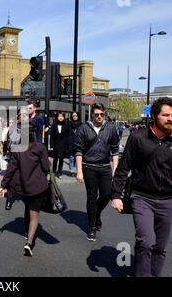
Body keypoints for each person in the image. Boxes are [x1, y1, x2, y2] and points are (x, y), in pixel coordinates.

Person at [111, 97, 172, 277]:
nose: (170, 119)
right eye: (165, 115)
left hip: (169, 201)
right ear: (153, 116)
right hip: (142, 197)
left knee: (159, 246)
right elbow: (124, 167)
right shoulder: (138, 138)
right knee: (145, 241)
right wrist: (115, 195)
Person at [0, 123, 51, 257]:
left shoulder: (17, 149)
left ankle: (27, 232)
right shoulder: (40, 148)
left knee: (27, 209)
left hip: (23, 186)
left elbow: (11, 169)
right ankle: (29, 242)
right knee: (34, 215)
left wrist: (3, 185)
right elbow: (46, 167)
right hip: (37, 186)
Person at [75, 103, 120, 242]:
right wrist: (79, 171)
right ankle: (92, 227)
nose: (99, 117)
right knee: (91, 197)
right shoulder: (83, 128)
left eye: (102, 114)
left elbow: (115, 151)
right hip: (89, 167)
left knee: (107, 195)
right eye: (97, 114)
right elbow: (78, 151)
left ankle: (97, 213)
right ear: (92, 115)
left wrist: (115, 170)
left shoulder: (111, 128)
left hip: (105, 167)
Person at [49, 112, 70, 178]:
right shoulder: (54, 125)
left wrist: (67, 146)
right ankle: (54, 170)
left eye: (62, 116)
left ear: (64, 117)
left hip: (63, 144)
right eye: (59, 116)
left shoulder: (66, 125)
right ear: (57, 117)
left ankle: (59, 172)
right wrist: (51, 146)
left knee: (61, 159)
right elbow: (52, 136)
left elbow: (67, 136)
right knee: (55, 159)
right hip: (56, 144)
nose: (60, 118)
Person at [68, 112, 82, 177]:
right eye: (73, 116)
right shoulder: (69, 124)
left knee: (78, 157)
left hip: (78, 143)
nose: (75, 117)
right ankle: (71, 170)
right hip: (71, 142)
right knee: (71, 157)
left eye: (76, 115)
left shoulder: (81, 124)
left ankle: (78, 171)